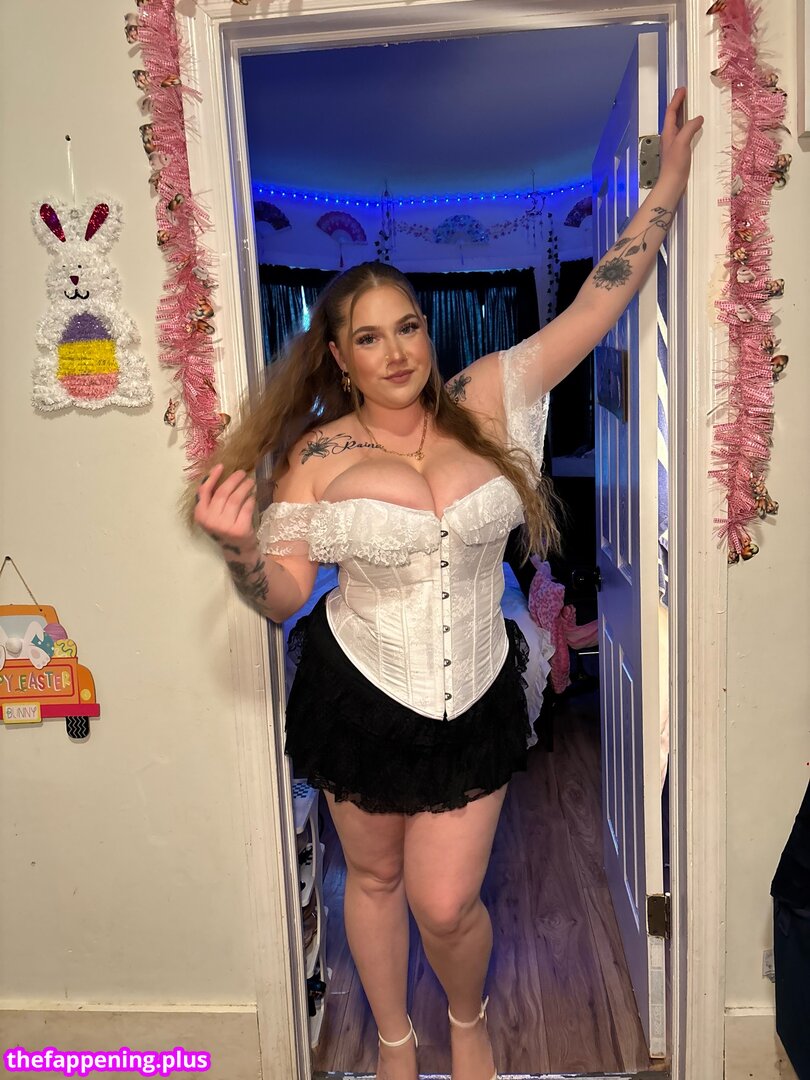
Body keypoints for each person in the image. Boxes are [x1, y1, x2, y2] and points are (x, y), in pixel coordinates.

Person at [190, 88, 702, 1080]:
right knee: (374, 881)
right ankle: (394, 1045)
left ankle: (467, 1020)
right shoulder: (314, 459)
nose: (396, 352)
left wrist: (666, 189)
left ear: (430, 333)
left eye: (410, 326)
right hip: (358, 695)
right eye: (369, 337)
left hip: (475, 689)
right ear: (339, 357)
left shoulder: (489, 399)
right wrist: (240, 552)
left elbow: (598, 300)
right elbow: (286, 597)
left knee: (445, 901)